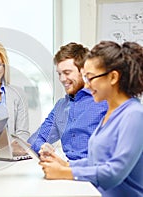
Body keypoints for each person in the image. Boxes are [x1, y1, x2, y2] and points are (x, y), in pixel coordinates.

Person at [40, 41, 143, 197]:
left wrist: (65, 172)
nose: (86, 86)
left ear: (113, 77)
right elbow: (98, 161)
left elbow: (113, 173)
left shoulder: (134, 115)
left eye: (90, 78)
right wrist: (66, 164)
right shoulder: (112, 112)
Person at [28, 42, 108, 160]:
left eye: (67, 73)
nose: (62, 79)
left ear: (84, 71)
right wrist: (43, 147)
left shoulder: (104, 102)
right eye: (59, 74)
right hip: (66, 171)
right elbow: (35, 140)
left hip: (93, 173)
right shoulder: (61, 106)